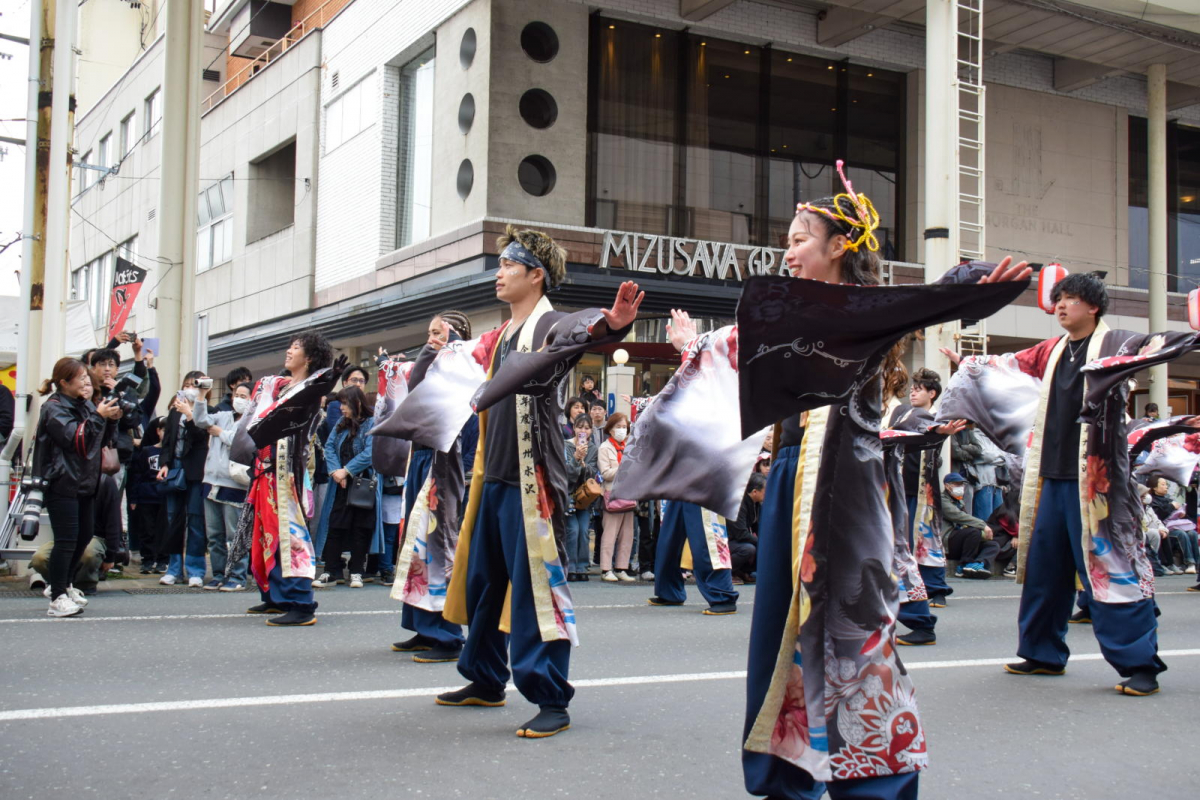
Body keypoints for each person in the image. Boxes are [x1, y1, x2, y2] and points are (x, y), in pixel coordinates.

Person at [732, 167, 1029, 797]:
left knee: (851, 637)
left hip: (844, 490)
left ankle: (878, 787)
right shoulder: (790, 312)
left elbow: (920, 301)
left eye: (799, 238)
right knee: (781, 640)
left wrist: (965, 284)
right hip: (792, 483)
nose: (787, 251)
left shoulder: (864, 314)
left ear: (840, 246)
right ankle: (790, 778)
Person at [389, 224, 641, 738]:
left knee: (535, 589)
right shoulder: (499, 334)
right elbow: (450, 369)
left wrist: (609, 324)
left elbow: (578, 331)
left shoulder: (549, 323)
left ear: (535, 274)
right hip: (492, 476)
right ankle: (484, 679)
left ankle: (552, 697)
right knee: (484, 583)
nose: (498, 272)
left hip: (532, 480)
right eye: (500, 263)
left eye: (508, 264)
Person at [940, 271, 1184, 696]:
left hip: (1099, 480)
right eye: (1060, 298)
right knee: (1043, 569)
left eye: (1071, 298)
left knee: (1112, 568)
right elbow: (1004, 366)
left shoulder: (1117, 342)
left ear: (1093, 306)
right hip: (1050, 477)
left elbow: (1160, 343)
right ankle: (1042, 653)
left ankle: (1140, 664)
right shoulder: (1051, 350)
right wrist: (966, 365)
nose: (1062, 305)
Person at [235, 332, 344, 627]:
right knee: (263, 534)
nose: (288, 351)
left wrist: (329, 379)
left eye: (295, 348)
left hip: (286, 471)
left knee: (290, 533)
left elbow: (312, 394)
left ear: (308, 358)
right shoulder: (278, 385)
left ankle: (301, 602)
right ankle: (275, 596)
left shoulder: (310, 390)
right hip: (264, 470)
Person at [389, 310, 475, 664]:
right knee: (416, 549)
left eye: (438, 333)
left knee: (438, 549)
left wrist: (467, 473)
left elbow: (469, 427)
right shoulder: (434, 368)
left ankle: (447, 633)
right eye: (429, 332)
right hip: (423, 463)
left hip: (448, 466)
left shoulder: (467, 370)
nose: (431, 339)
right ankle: (423, 627)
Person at [35, 357, 122, 616]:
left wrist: (112, 419)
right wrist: (97, 415)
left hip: (85, 481)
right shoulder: (53, 408)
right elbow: (77, 440)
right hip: (62, 482)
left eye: (87, 377)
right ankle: (57, 597)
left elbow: (101, 441)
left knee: (83, 537)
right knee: (66, 541)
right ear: (63, 382)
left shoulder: (84, 405)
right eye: (81, 378)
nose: (86, 382)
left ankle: (63, 585)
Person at [193, 381, 253, 591]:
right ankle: (218, 574)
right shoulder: (224, 414)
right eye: (237, 394)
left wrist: (219, 432)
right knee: (214, 534)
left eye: (245, 396)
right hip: (211, 481)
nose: (239, 399)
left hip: (235, 483)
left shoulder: (253, 420)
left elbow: (241, 442)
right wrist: (201, 395)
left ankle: (238, 576)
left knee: (234, 533)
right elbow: (200, 420)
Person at [318, 386, 378, 590]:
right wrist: (336, 471)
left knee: (361, 528)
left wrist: (347, 471)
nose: (341, 408)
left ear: (357, 403)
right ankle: (331, 570)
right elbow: (329, 447)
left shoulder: (371, 422)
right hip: (340, 484)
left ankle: (356, 572)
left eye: (344, 403)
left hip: (362, 483)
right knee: (335, 526)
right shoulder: (340, 424)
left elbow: (370, 453)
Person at [156, 372, 212, 587]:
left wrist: (191, 415)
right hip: (175, 468)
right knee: (173, 519)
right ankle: (173, 568)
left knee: (196, 519)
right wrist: (164, 464)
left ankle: (196, 569)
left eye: (194, 385)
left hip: (196, 472)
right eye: (187, 385)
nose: (190, 388)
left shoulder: (207, 411)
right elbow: (167, 441)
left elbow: (201, 438)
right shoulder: (173, 412)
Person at [30, 473, 124, 596]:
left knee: (87, 551)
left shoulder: (104, 482)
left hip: (95, 536)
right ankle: (60, 583)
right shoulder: (63, 480)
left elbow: (114, 520)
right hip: (66, 536)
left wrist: (111, 555)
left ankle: (83, 585)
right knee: (39, 558)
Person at [598, 413, 637, 582]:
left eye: (624, 427)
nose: (622, 430)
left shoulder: (628, 446)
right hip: (612, 493)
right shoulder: (605, 448)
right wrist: (623, 468)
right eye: (618, 427)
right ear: (611, 429)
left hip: (628, 493)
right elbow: (605, 473)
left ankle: (622, 567)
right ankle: (606, 569)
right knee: (610, 533)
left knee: (627, 533)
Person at [941, 472, 1000, 579]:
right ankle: (963, 565)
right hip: (947, 542)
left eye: (961, 484)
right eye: (956, 484)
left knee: (993, 545)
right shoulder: (942, 500)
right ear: (947, 486)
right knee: (973, 532)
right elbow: (958, 516)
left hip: (960, 543)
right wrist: (983, 525)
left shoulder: (960, 502)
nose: (960, 487)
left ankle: (978, 565)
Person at [128, 417, 167, 574]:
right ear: (158, 431)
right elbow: (138, 475)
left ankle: (163, 560)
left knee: (163, 529)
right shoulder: (147, 451)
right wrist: (134, 498)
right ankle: (147, 560)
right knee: (146, 529)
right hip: (146, 496)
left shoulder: (172, 453)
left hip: (164, 496)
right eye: (164, 430)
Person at [564, 413, 598, 582]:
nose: (583, 431)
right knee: (572, 529)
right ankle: (570, 566)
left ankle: (582, 566)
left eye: (586, 428)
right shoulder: (566, 446)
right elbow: (566, 474)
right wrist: (576, 459)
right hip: (568, 495)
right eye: (580, 427)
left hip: (585, 496)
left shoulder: (593, 448)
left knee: (584, 530)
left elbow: (592, 474)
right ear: (574, 428)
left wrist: (583, 463)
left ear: (591, 430)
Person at [727, 473, 764, 583]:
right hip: (726, 542)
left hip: (737, 541)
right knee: (748, 549)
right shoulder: (739, 504)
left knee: (765, 544)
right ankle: (726, 574)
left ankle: (742, 572)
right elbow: (741, 534)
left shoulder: (756, 504)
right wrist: (762, 543)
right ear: (754, 492)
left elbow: (758, 528)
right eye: (765, 490)